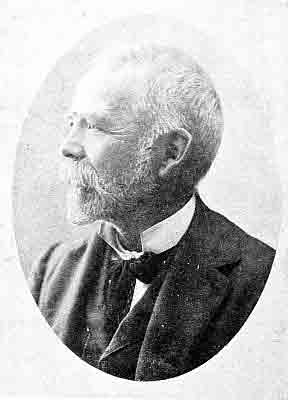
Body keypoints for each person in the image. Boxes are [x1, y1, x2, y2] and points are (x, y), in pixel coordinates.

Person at [28, 44, 275, 381]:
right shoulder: (52, 268)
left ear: (171, 153)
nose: (69, 146)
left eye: (96, 127)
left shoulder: (262, 280)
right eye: (72, 123)